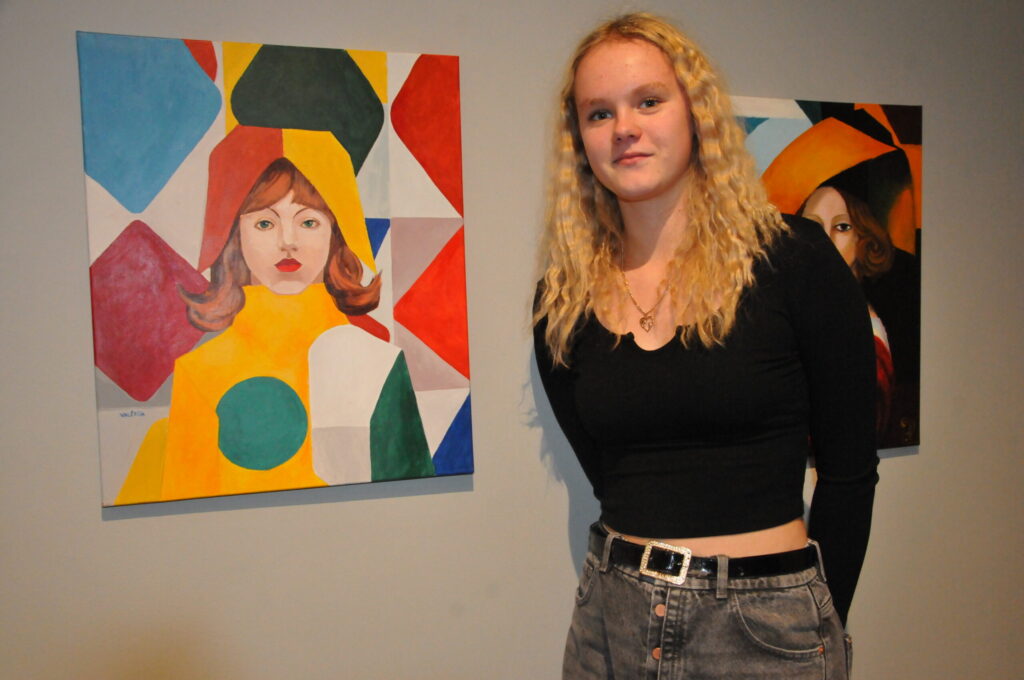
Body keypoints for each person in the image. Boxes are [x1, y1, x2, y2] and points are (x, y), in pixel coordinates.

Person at [533, 13, 877, 679]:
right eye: (599, 113)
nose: (624, 127)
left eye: (648, 101)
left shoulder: (795, 261)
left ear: (697, 114)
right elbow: (611, 476)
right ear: (580, 141)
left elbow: (849, 476)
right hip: (612, 621)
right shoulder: (564, 298)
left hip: (766, 628)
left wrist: (814, 625)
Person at [117, 126, 434, 504]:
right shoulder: (200, 372)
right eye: (265, 223)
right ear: (234, 236)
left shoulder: (377, 362)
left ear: (337, 234)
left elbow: (413, 497)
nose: (288, 241)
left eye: (309, 221)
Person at [800, 184, 896, 437]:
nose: (825, 239)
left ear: (864, 239)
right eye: (812, 226)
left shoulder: (867, 338)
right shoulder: (807, 317)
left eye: (842, 227)